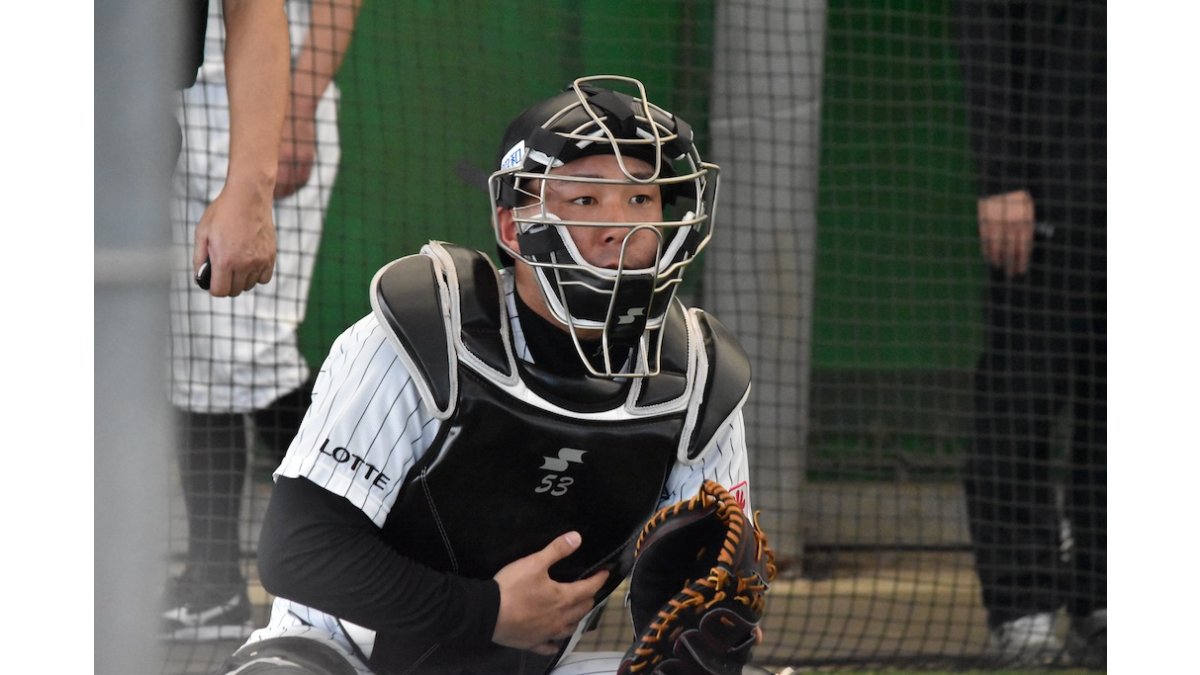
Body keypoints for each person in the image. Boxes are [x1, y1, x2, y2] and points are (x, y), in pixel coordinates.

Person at [216, 76, 761, 675]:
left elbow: (710, 588)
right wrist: (488, 612)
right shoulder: (423, 336)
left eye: (641, 200)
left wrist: (708, 630)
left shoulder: (696, 377)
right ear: (512, 226)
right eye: (585, 200)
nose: (620, 227)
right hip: (336, 657)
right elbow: (298, 553)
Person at [162, 0, 362, 641]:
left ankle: (383, 544)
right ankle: (214, 582)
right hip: (167, 109)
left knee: (246, 355)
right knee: (192, 360)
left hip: (259, 110)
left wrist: (295, 114)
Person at [953, 0, 1106, 668]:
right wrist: (1003, 179)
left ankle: (1108, 598)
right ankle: (1024, 609)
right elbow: (985, 33)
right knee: (1021, 403)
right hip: (1049, 199)